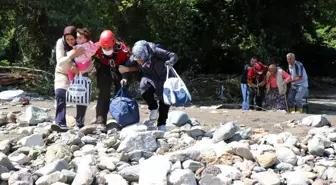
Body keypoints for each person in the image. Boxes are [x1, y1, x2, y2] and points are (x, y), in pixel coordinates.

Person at [120, 40, 178, 132]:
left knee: (165, 101)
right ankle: (153, 108)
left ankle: (162, 124)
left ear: (146, 54)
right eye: (137, 59)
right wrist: (124, 78)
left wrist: (170, 62)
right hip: (149, 76)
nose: (139, 61)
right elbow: (125, 67)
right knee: (144, 88)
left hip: (164, 76)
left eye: (141, 59)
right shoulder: (135, 57)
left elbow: (173, 55)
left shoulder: (156, 51)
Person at [89, 30, 137, 132]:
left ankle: (124, 118)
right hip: (104, 68)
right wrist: (90, 68)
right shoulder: (95, 47)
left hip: (121, 68)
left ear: (114, 43)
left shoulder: (123, 50)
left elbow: (130, 65)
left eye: (109, 47)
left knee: (122, 90)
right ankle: (100, 121)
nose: (106, 49)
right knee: (104, 91)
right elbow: (86, 57)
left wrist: (125, 77)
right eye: (104, 48)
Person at [52, 25, 89, 132]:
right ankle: (60, 122)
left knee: (82, 96)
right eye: (67, 39)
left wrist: (79, 70)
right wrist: (72, 55)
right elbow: (60, 61)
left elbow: (87, 59)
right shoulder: (60, 42)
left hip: (78, 73)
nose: (70, 41)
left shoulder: (81, 42)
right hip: (62, 72)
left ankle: (80, 123)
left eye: (72, 39)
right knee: (60, 93)